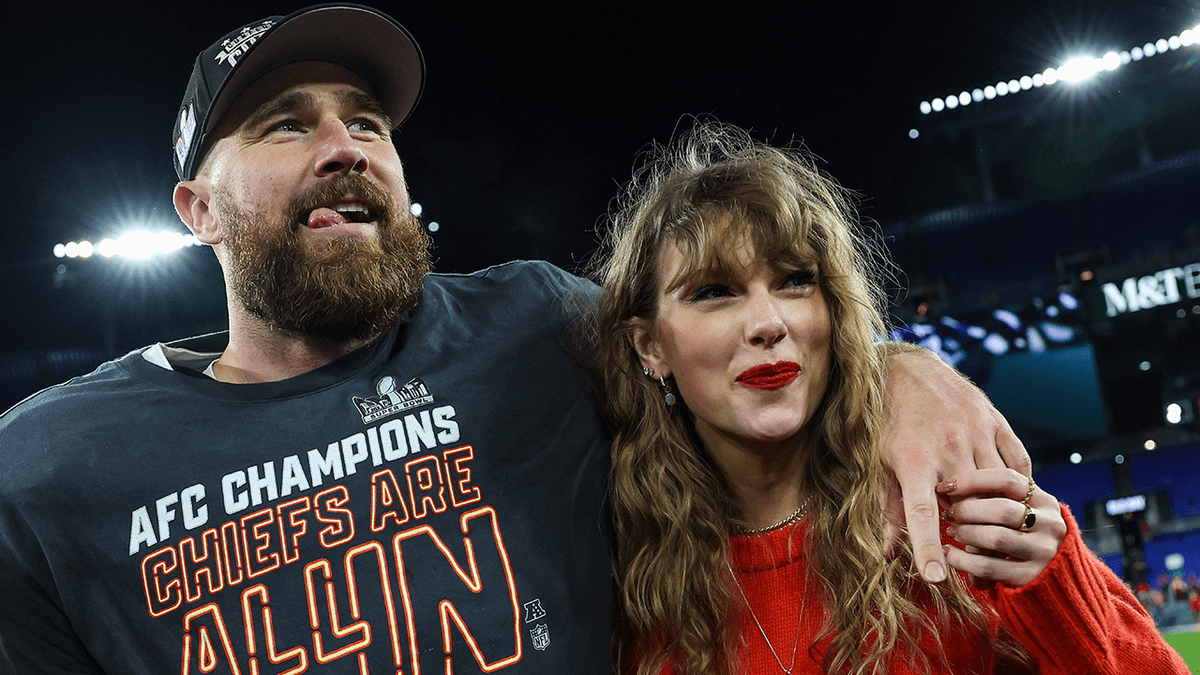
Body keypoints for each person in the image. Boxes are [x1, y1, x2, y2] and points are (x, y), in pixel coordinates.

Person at [0, 6, 1028, 674]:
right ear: (196, 208)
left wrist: (900, 368)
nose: (344, 145)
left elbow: (731, 344)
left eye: (367, 121)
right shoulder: (47, 473)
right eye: (284, 124)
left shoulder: (538, 326)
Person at [591, 121, 1187, 674]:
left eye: (795, 280)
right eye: (714, 291)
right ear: (649, 348)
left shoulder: (947, 512)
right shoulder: (616, 577)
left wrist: (1056, 590)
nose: (768, 323)